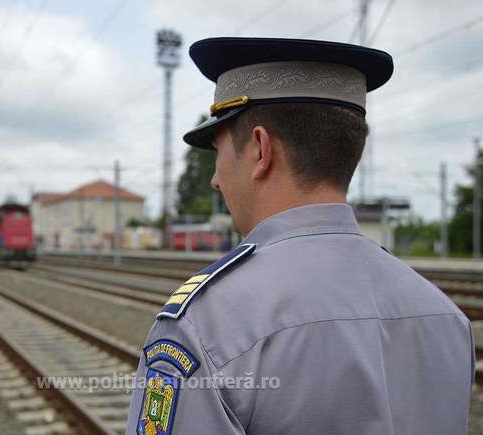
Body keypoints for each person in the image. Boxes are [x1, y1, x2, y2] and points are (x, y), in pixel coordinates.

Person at [125, 37, 474, 435]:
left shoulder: (207, 324)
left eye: (219, 153)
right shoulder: (445, 315)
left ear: (260, 149)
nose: (215, 179)